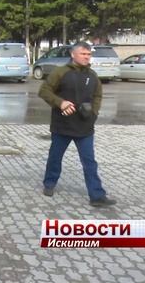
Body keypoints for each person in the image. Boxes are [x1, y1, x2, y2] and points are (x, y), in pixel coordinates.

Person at [38, 42, 116, 207]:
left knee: (90, 162)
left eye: (88, 54)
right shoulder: (60, 72)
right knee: (55, 157)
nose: (87, 57)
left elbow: (97, 96)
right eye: (83, 54)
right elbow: (44, 91)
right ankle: (49, 184)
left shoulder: (93, 75)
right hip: (62, 125)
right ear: (73, 54)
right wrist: (60, 102)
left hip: (85, 126)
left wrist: (94, 114)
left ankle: (97, 196)